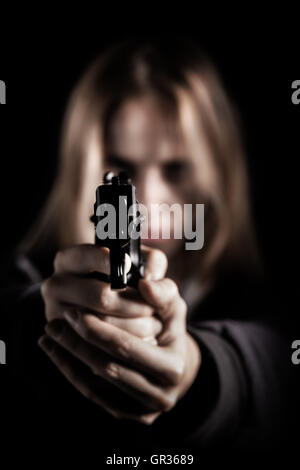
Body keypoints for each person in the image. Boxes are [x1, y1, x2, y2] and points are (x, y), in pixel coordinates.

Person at [0, 37, 291, 451]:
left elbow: (273, 364)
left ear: (217, 173)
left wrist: (196, 368)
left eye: (175, 168)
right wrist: (55, 320)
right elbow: (13, 314)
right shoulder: (24, 276)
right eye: (120, 166)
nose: (147, 201)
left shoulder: (261, 295)